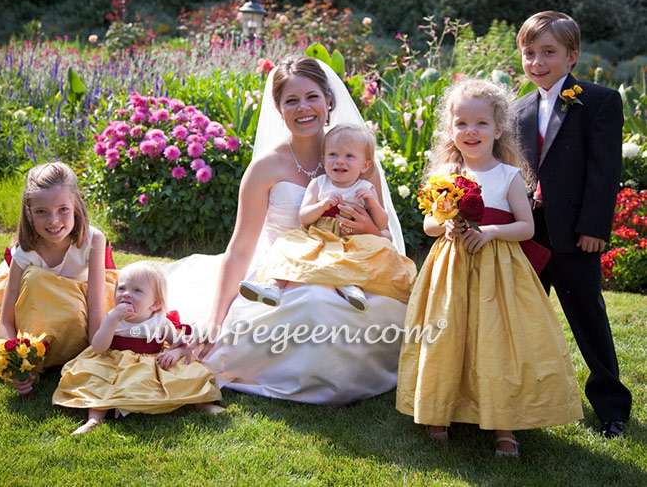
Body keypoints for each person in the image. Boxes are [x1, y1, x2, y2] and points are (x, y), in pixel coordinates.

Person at [162, 56, 408, 404]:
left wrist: (369, 227)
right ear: (278, 108)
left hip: (351, 267)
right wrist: (215, 320)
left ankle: (341, 371)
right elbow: (241, 249)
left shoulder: (355, 156)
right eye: (291, 100)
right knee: (314, 301)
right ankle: (309, 374)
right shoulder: (266, 167)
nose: (303, 108)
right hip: (285, 272)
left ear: (328, 101)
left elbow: (383, 236)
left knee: (366, 306)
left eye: (312, 97)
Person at [396, 78, 583, 458]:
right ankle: (439, 411)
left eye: (481, 123)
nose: (471, 131)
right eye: (461, 123)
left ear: (499, 129)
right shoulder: (446, 174)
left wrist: (492, 232)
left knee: (496, 343)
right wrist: (445, 223)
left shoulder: (508, 176)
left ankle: (504, 425)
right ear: (451, 129)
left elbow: (526, 226)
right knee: (448, 337)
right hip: (451, 271)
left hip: (498, 273)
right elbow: (429, 224)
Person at [514, 10, 632, 438]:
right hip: (531, 232)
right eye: (529, 53)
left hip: (578, 233)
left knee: (588, 317)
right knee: (522, 316)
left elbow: (604, 172)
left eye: (549, 52)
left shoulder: (597, 100)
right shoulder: (518, 108)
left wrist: (595, 228)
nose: (537, 62)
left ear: (572, 56)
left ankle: (612, 407)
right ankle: (520, 397)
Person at [0, 162, 116, 395]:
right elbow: (6, 319)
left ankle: (68, 352)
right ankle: (37, 358)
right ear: (29, 213)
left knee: (78, 309)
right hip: (38, 316)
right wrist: (15, 362)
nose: (53, 221)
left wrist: (97, 354)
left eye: (62, 209)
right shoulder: (25, 252)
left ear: (75, 206)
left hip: (78, 314)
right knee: (34, 279)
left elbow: (95, 307)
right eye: (41, 212)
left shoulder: (93, 240)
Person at [241, 123, 416, 311]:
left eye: (349, 156)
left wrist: (372, 202)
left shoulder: (364, 188)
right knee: (287, 244)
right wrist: (322, 205)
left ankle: (351, 286)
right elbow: (304, 217)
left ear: (365, 165)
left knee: (375, 249)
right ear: (324, 159)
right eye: (333, 155)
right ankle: (274, 286)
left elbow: (381, 224)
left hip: (352, 238)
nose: (340, 161)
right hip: (319, 236)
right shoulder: (319, 184)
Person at [52, 261, 222, 435]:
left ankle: (204, 404)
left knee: (188, 373)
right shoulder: (113, 318)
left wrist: (175, 352)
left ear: (155, 304)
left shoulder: (160, 321)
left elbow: (181, 344)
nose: (126, 294)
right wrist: (111, 321)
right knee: (98, 381)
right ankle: (95, 418)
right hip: (113, 362)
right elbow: (98, 347)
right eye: (122, 288)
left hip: (150, 362)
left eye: (137, 290)